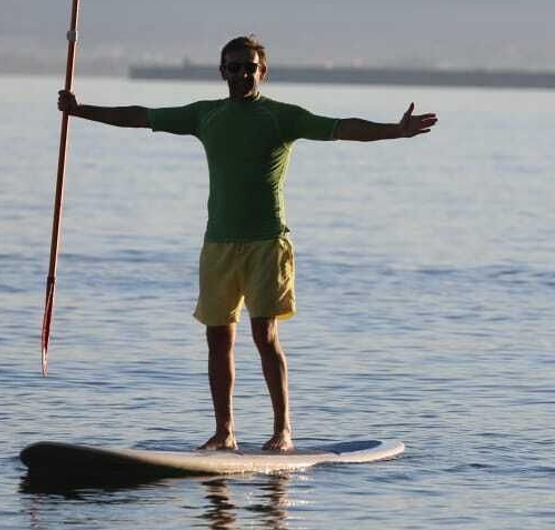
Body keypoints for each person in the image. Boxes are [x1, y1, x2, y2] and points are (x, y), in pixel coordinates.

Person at [57, 35, 437, 452]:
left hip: (266, 244)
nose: (241, 75)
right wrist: (80, 111)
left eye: (249, 67)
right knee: (218, 339)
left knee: (264, 334)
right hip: (218, 245)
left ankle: (283, 431)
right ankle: (225, 432)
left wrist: (395, 131)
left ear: (263, 72)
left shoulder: (281, 117)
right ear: (222, 72)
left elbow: (341, 128)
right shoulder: (206, 115)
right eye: (233, 68)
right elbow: (141, 116)